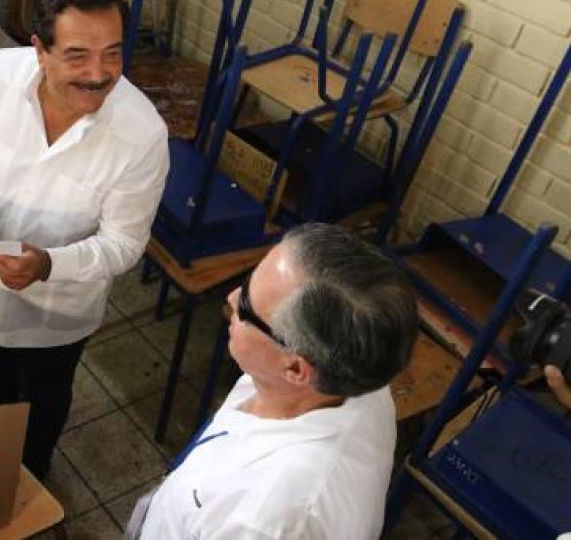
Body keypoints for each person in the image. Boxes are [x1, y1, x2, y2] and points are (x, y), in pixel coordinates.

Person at [0, 0, 171, 479]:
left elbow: (124, 243)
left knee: (42, 405)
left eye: (113, 54)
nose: (98, 75)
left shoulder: (140, 134)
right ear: (39, 51)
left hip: (60, 310)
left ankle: (28, 487)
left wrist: (49, 264)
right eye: (77, 55)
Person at [129, 223, 419, 540]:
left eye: (247, 307)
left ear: (295, 368)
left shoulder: (265, 520)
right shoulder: (352, 370)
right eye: (247, 281)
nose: (231, 296)